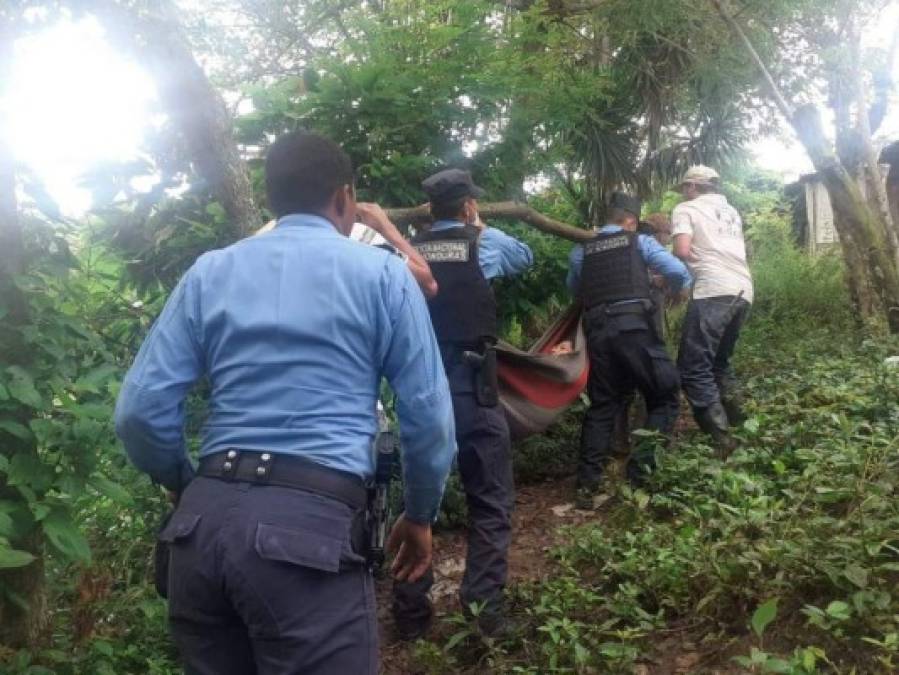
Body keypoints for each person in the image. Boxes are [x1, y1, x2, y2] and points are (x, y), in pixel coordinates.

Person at [114, 131, 456, 675]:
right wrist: (420, 515)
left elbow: (138, 411)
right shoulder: (383, 274)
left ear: (272, 197)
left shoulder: (210, 272)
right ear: (344, 198)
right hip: (308, 537)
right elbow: (429, 417)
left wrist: (185, 484)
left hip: (199, 532)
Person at [392, 168, 534, 640]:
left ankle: (409, 614)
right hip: (472, 387)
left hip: (416, 391)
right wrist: (481, 225)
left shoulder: (403, 252)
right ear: (469, 205)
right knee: (490, 500)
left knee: (417, 502)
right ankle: (483, 615)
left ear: (428, 210)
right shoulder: (484, 245)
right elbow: (524, 256)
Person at [567, 192, 692, 507]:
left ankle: (586, 486)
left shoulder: (582, 249)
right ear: (632, 221)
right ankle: (639, 474)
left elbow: (574, 288)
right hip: (634, 328)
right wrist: (668, 288)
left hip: (598, 332)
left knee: (603, 404)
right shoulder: (640, 242)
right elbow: (678, 272)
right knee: (665, 394)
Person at [671, 165, 753, 451]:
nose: (683, 193)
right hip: (743, 288)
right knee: (719, 364)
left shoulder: (686, 209)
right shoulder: (732, 212)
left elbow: (682, 250)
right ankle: (744, 430)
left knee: (693, 369)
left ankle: (721, 440)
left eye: (685, 187)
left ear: (693, 187)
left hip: (713, 290)